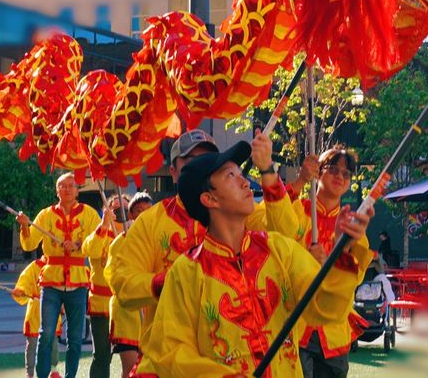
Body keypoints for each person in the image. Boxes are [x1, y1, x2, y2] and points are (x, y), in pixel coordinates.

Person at [136, 139, 373, 376]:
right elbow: (171, 352)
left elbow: (326, 309)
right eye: (230, 175)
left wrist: (341, 255)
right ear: (210, 199)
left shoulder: (280, 250)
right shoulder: (186, 272)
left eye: (241, 173)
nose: (244, 181)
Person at [106, 128, 302, 357]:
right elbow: (123, 284)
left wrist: (267, 170)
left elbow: (287, 234)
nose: (201, 164)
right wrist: (173, 282)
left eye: (209, 159)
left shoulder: (239, 212)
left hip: (241, 357)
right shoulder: (151, 222)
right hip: (176, 358)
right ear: (173, 171)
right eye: (191, 159)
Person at [17, 173, 101, 378]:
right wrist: (25, 225)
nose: (67, 189)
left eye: (71, 186)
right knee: (46, 334)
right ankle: (42, 375)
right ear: (57, 190)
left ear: (77, 189)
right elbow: (29, 244)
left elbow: (98, 242)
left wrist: (79, 245)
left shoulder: (89, 214)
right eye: (62, 186)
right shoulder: (45, 215)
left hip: (79, 281)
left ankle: (71, 375)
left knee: (74, 337)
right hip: (51, 281)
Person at [296, 146, 365, 378]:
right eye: (333, 169)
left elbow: (357, 275)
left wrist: (335, 258)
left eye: (346, 174)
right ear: (319, 172)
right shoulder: (298, 211)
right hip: (297, 325)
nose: (340, 176)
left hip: (333, 331)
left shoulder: (352, 224)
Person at [108, 192, 153, 378]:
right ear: (131, 215)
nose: (143, 215)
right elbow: (112, 276)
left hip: (152, 314)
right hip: (127, 314)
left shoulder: (158, 240)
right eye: (139, 211)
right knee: (131, 370)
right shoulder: (121, 242)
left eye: (148, 211)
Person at [83, 195, 125, 378]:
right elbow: (89, 250)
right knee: (101, 355)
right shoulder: (99, 232)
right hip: (100, 303)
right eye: (114, 209)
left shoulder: (136, 234)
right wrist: (105, 225)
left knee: (135, 353)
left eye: (123, 209)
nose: (118, 213)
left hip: (128, 305)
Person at [12, 256, 48, 378]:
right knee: (32, 344)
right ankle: (30, 373)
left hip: (51, 310)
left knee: (52, 344)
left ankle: (53, 370)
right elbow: (24, 282)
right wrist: (20, 290)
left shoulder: (59, 266)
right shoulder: (35, 266)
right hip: (35, 311)